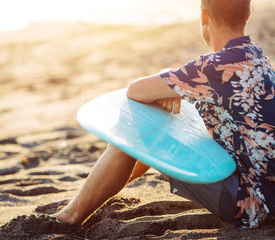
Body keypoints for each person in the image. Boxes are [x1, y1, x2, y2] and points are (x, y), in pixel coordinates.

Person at [54, 0, 275, 228]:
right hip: (268, 192)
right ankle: (101, 190)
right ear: (247, 15)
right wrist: (172, 86)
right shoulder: (258, 58)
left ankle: (70, 216)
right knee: (161, 117)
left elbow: (135, 91)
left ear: (204, 17)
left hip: (251, 205)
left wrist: (167, 83)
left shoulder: (212, 67)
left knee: (137, 125)